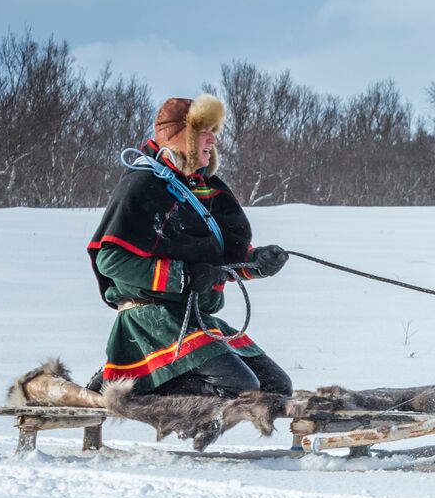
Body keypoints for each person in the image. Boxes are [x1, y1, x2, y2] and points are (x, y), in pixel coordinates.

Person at [86, 94, 293, 399]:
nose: (213, 139)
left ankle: (128, 376)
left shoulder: (203, 186)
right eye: (204, 132)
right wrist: (183, 276)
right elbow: (111, 260)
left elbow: (223, 257)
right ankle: (125, 383)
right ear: (180, 136)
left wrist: (257, 261)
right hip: (152, 319)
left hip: (196, 317)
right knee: (239, 387)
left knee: (277, 387)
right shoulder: (143, 185)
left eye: (214, 131)